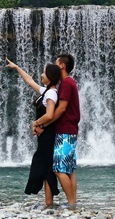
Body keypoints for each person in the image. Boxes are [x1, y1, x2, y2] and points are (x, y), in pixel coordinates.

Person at [6, 60, 62, 209]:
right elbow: (29, 81)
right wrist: (17, 67)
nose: (41, 75)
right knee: (45, 167)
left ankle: (50, 202)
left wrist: (36, 123)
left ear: (50, 77)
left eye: (44, 72)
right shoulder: (47, 91)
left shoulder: (51, 93)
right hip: (45, 135)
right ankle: (48, 202)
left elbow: (50, 115)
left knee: (44, 166)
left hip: (48, 135)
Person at [47, 53, 80, 208]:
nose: (54, 65)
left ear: (62, 66)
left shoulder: (66, 83)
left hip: (65, 131)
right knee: (69, 169)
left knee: (59, 169)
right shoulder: (69, 82)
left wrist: (45, 122)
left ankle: (71, 203)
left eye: (56, 62)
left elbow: (61, 109)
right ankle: (73, 201)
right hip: (71, 130)